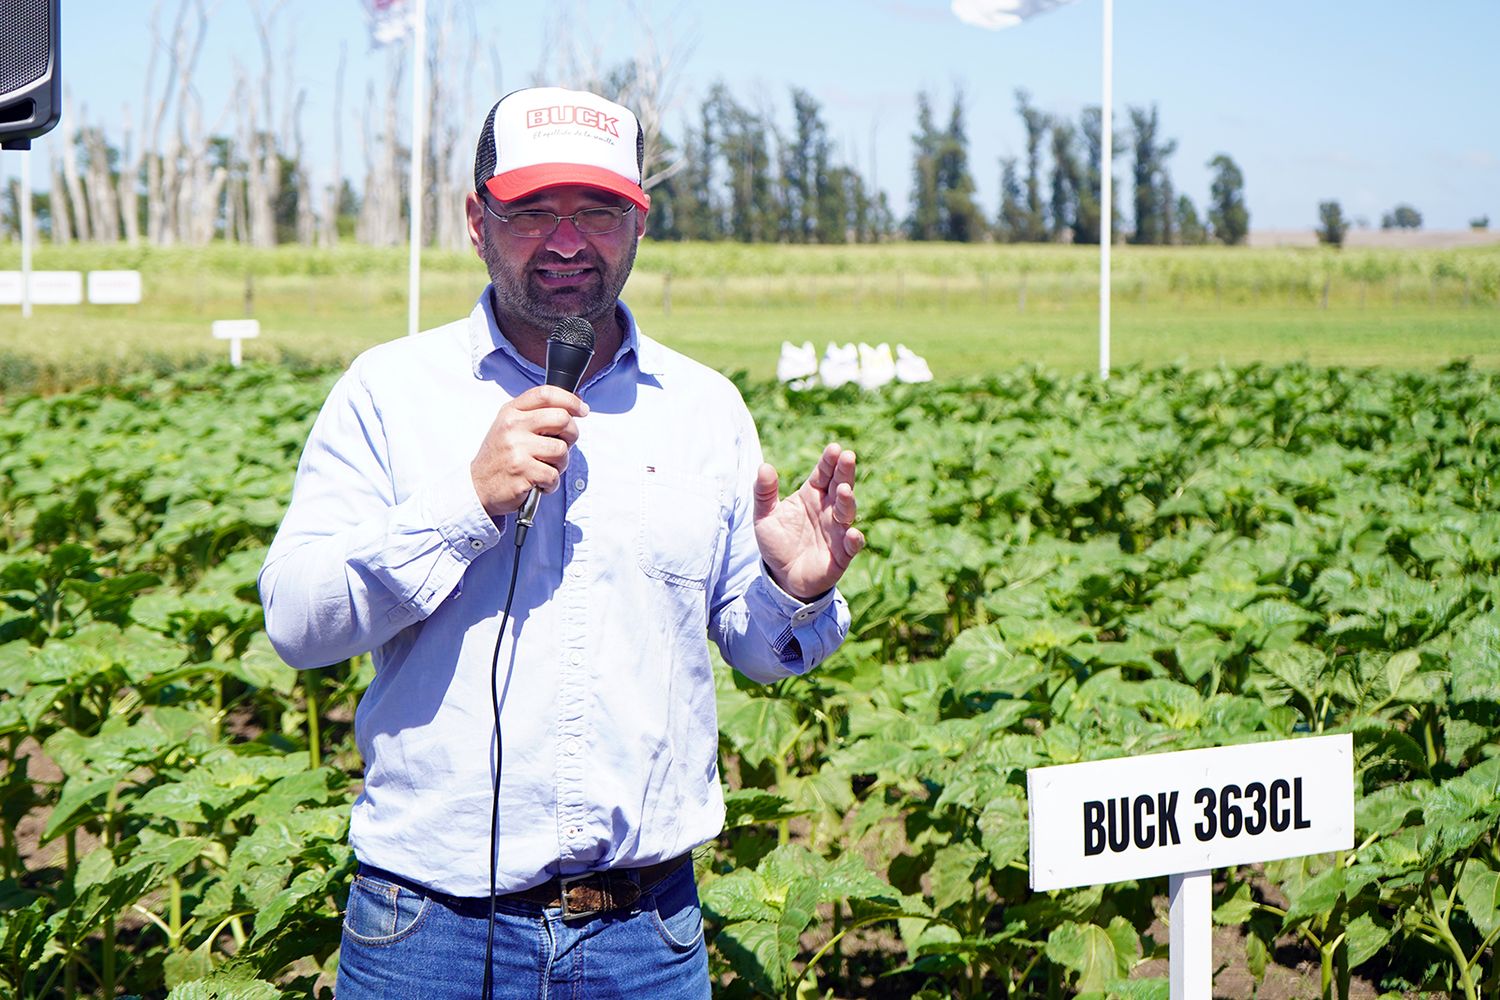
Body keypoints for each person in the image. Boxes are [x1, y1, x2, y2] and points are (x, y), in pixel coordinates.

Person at [258, 85, 864, 999]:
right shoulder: (388, 391)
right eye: (533, 212)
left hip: (645, 939)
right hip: (428, 930)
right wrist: (466, 503)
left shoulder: (702, 409)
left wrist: (795, 592)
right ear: (476, 218)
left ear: (640, 223)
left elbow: (757, 648)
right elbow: (298, 623)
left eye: (599, 212)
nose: (569, 242)